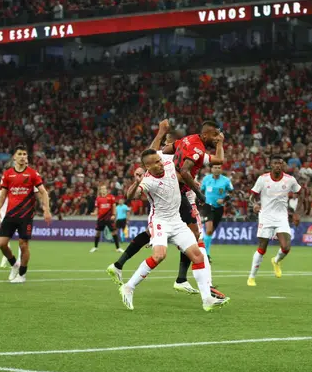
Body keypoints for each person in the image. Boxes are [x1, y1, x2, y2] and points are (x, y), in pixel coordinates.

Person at [109, 120, 226, 299]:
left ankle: (120, 265)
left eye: (168, 142)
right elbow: (151, 155)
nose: (165, 146)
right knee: (195, 236)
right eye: (166, 141)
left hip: (178, 195)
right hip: (178, 195)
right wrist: (194, 188)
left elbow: (215, 160)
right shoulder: (167, 159)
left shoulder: (183, 149)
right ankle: (199, 284)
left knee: (170, 235)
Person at [0, 145, 52, 283]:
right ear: (14, 157)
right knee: (2, 244)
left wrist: (46, 209)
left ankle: (22, 275)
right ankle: (14, 264)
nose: (22, 156)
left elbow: (43, 192)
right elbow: (3, 195)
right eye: (19, 154)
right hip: (10, 214)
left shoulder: (32, 174)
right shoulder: (8, 174)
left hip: (25, 216)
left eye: (24, 154)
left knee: (23, 244)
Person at [247, 155, 302, 287]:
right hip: (265, 216)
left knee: (286, 247)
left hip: (282, 217)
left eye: (280, 163)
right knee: (262, 247)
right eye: (275, 163)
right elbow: (251, 197)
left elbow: (300, 193)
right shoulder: (263, 179)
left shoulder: (290, 180)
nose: (278, 165)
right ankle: (251, 277)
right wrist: (254, 205)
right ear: (270, 165)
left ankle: (276, 260)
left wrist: (296, 213)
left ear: (283, 165)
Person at [200, 164, 233, 262]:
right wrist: (200, 204)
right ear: (211, 169)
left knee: (210, 232)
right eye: (215, 167)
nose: (217, 169)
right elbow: (201, 191)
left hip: (219, 208)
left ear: (221, 169)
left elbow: (231, 193)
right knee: (209, 230)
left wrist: (224, 199)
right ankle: (206, 254)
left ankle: (204, 249)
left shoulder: (226, 180)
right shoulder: (206, 179)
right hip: (207, 206)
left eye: (219, 168)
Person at [90, 185, 123, 253]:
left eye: (105, 189)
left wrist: (113, 215)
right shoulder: (98, 199)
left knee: (114, 232)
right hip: (101, 218)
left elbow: (114, 206)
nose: (104, 190)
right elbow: (97, 208)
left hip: (109, 218)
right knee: (98, 233)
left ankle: (118, 248)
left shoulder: (111, 197)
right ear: (100, 190)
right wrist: (94, 213)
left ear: (106, 190)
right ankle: (95, 247)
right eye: (102, 189)